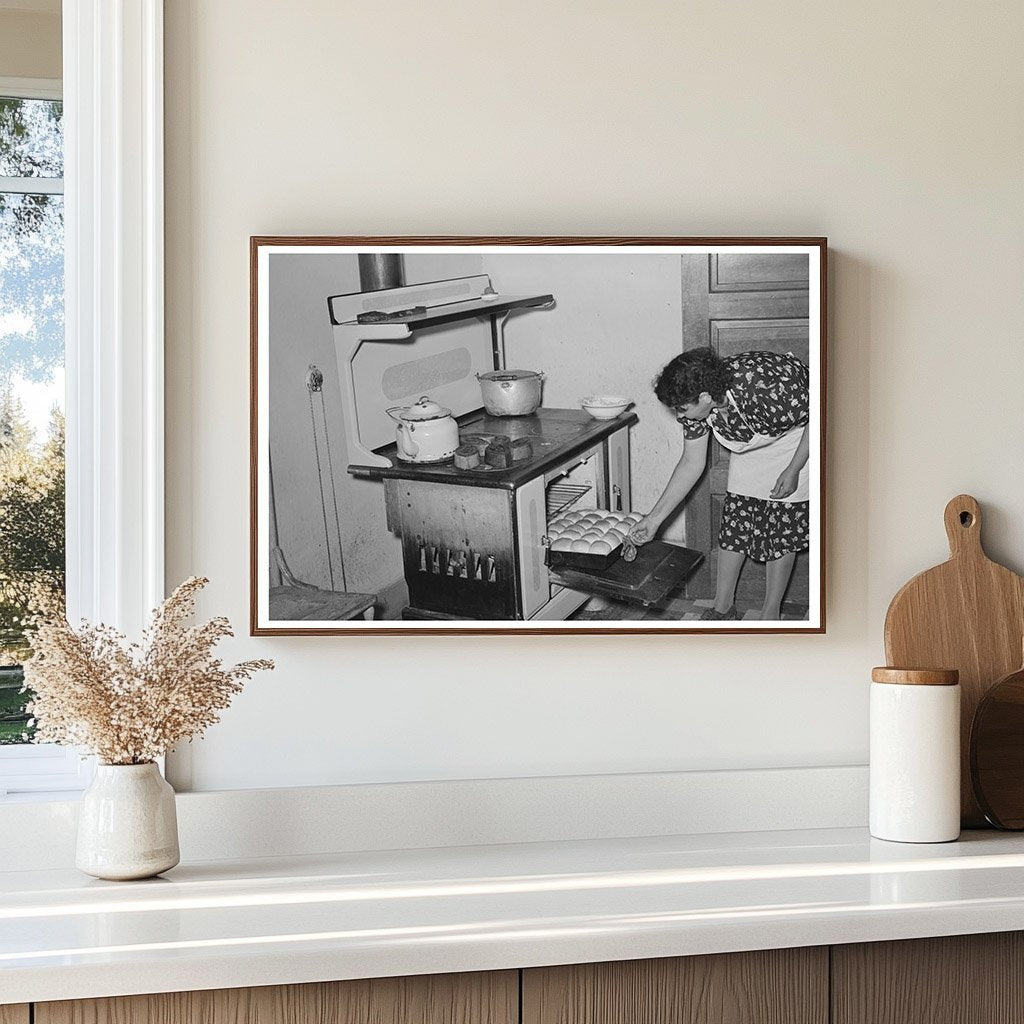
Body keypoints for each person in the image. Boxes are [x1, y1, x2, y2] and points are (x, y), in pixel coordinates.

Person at [629, 347, 810, 621]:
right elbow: (692, 463)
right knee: (735, 521)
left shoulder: (766, 385)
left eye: (682, 409)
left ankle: (771, 611)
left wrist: (794, 468)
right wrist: (654, 519)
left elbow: (820, 413)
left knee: (781, 528)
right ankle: (722, 607)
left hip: (795, 440)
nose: (679, 416)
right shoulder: (699, 405)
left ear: (704, 397)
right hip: (749, 443)